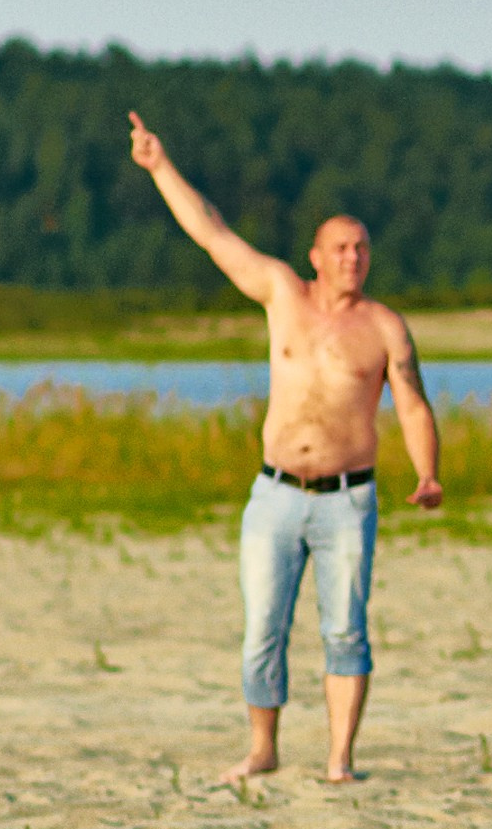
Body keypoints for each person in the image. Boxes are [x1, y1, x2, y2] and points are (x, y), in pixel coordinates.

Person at [127, 112, 442, 784]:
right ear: (315, 256)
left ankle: (339, 760)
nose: (353, 257)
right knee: (261, 630)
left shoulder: (385, 327)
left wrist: (428, 471)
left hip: (347, 498)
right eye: (341, 248)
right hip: (274, 494)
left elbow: (413, 402)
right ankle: (262, 749)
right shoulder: (281, 293)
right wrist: (159, 166)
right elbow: (211, 232)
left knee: (345, 631)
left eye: (361, 248)